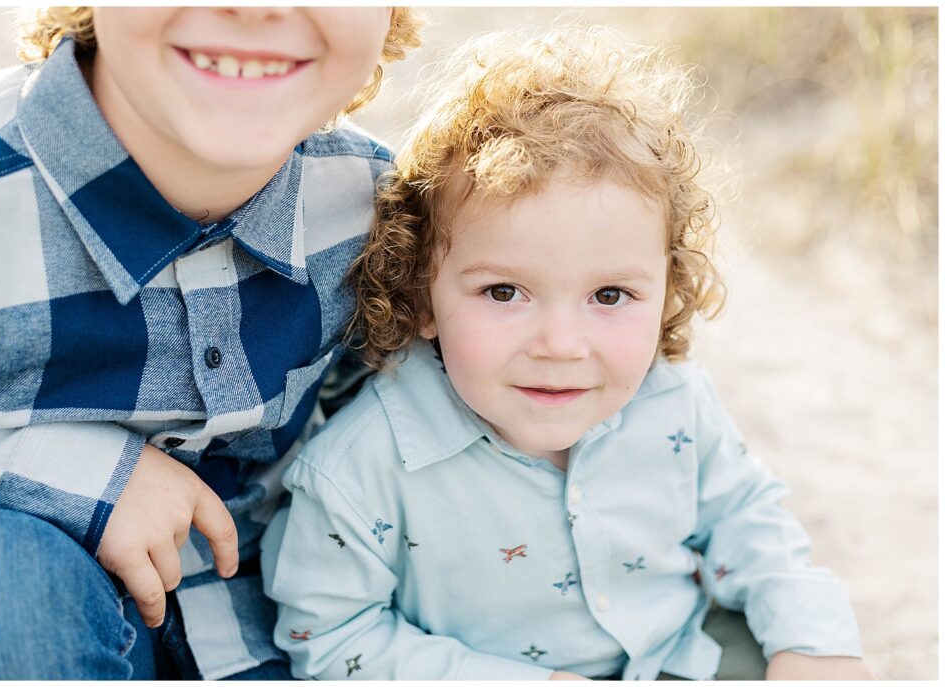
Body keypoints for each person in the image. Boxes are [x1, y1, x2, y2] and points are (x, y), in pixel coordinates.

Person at [260, 24, 876, 680]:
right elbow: (329, 640)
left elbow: (750, 522)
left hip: (677, 654)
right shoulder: (361, 469)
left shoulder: (675, 404)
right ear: (423, 297)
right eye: (504, 290)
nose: (560, 344)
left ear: (667, 289)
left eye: (610, 294)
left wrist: (812, 640)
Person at [0, 6, 421, 680]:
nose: (258, 8)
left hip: (281, 632)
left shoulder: (376, 211)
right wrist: (74, 472)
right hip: (20, 628)